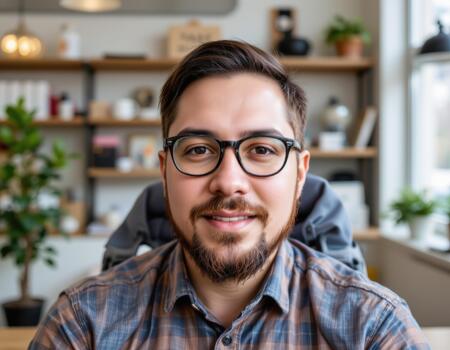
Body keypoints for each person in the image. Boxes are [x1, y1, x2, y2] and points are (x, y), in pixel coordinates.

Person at [30, 40, 429, 349]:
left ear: (300, 172)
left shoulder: (374, 327)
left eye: (262, 149)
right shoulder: (82, 324)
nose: (229, 181)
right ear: (165, 170)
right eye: (199, 149)